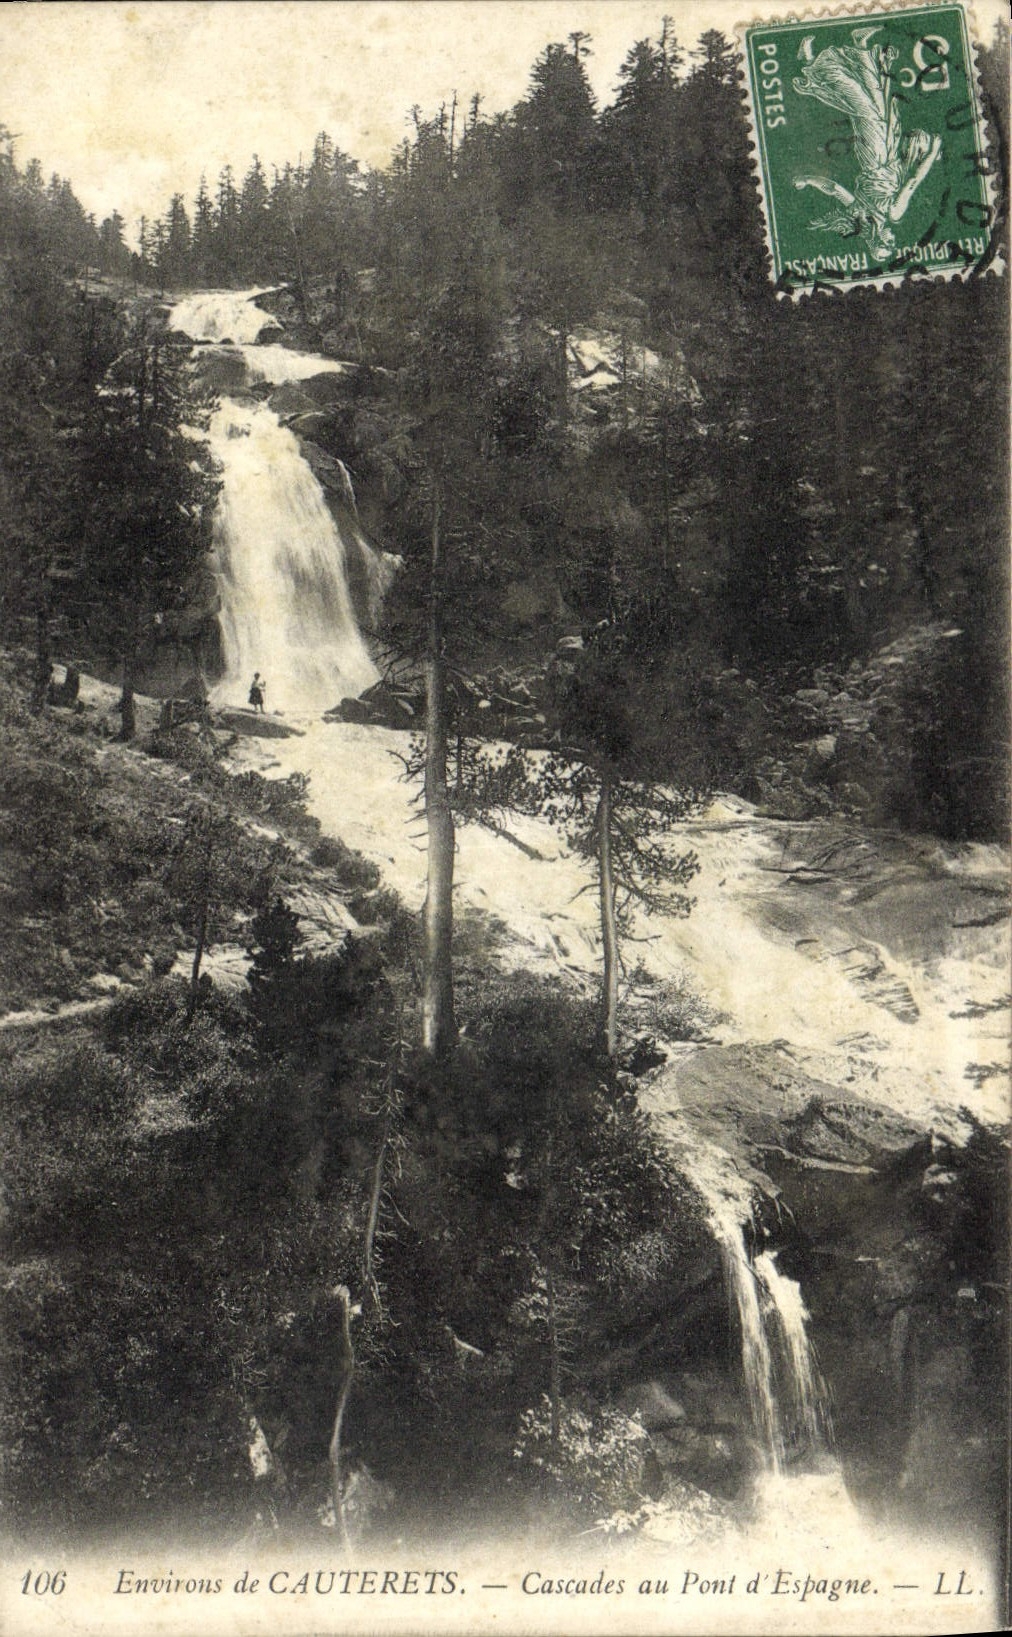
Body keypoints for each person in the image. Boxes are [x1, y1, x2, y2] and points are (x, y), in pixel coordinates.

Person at [792, 26, 942, 262]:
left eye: (888, 243)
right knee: (875, 100)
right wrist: (808, 181)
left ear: (877, 239)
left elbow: (913, 182)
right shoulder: (860, 213)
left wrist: (932, 154)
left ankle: (814, 64)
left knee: (864, 105)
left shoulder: (887, 213)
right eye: (892, 244)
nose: (893, 239)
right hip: (883, 153)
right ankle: (858, 46)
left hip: (878, 154)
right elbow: (834, 189)